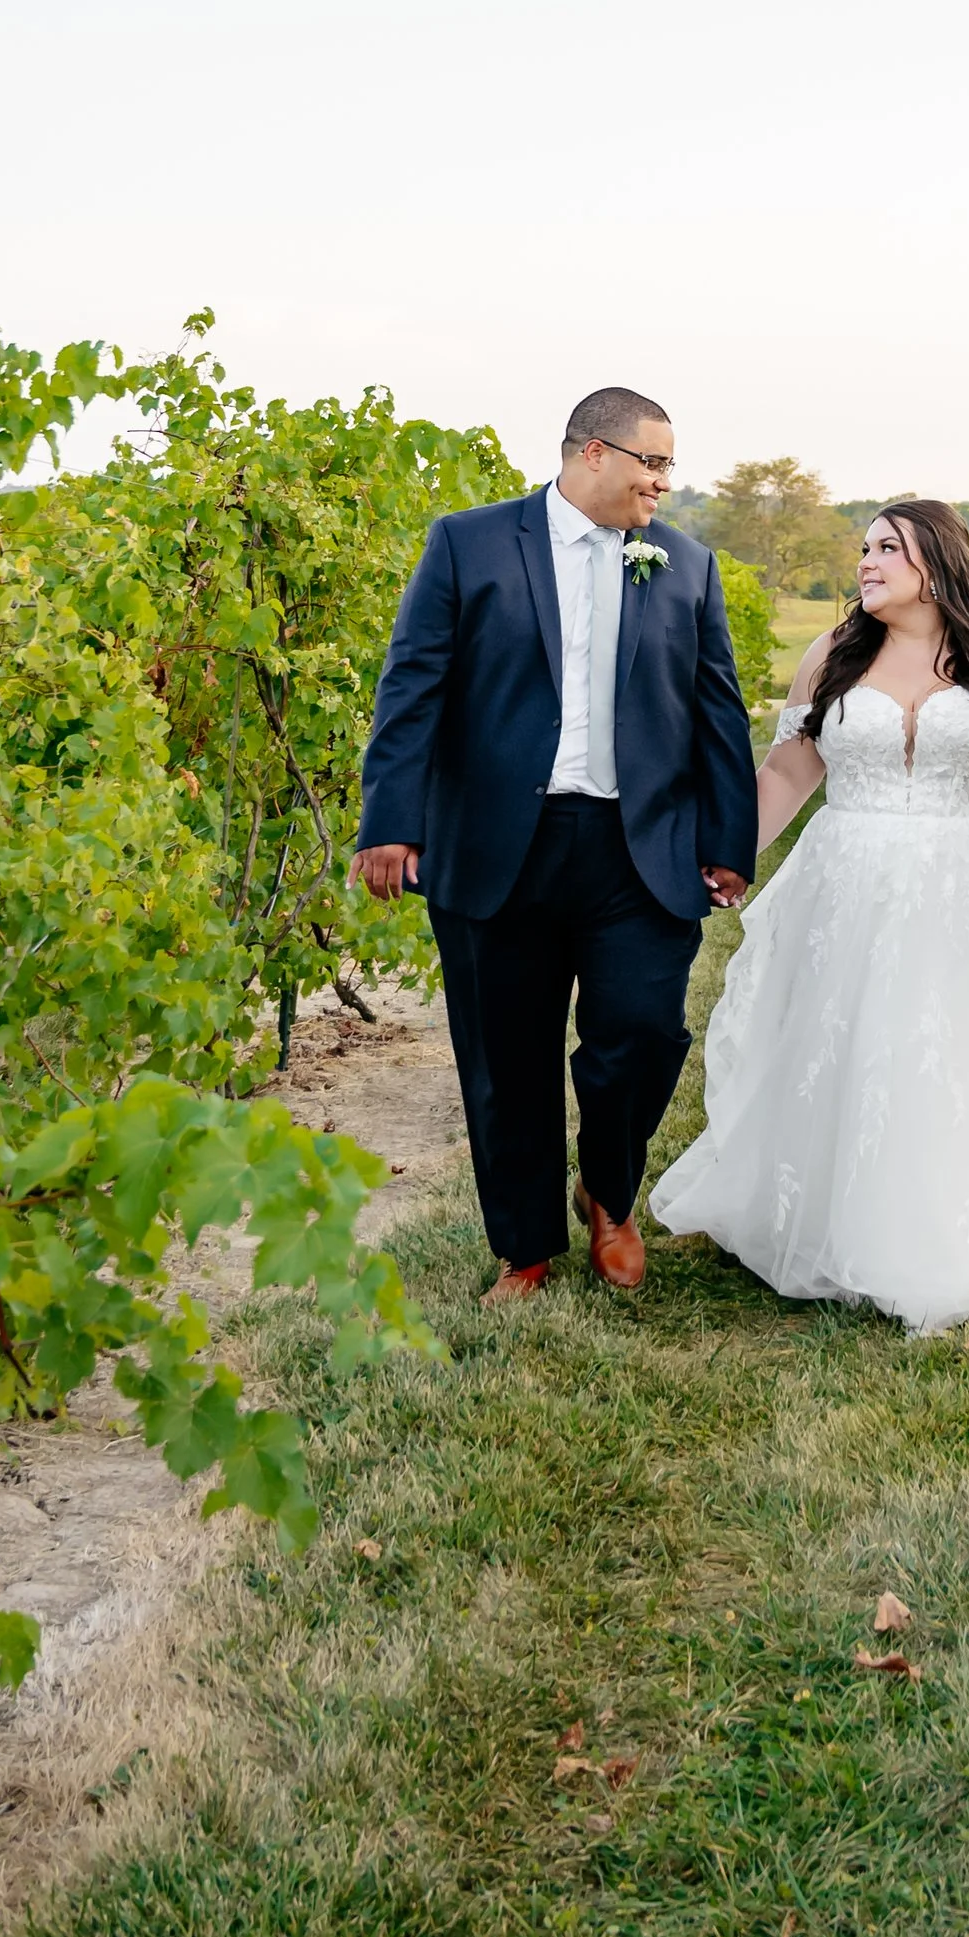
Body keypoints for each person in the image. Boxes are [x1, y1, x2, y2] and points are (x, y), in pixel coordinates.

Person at [651, 500, 969, 1331]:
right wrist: (735, 855)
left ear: (937, 561)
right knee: (852, 1045)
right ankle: (837, 1220)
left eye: (888, 546)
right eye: (864, 546)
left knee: (963, 1051)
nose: (867, 560)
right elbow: (786, 771)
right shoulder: (834, 653)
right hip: (851, 881)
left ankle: (960, 1229)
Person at [354, 387, 757, 1298]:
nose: (662, 480)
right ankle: (525, 1247)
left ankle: (609, 1194)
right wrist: (389, 824)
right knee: (506, 1057)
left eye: (668, 465)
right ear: (590, 454)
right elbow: (411, 686)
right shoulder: (471, 542)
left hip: (637, 848)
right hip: (499, 844)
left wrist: (729, 840)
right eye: (650, 461)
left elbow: (718, 711)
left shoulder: (685, 564)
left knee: (644, 1036)